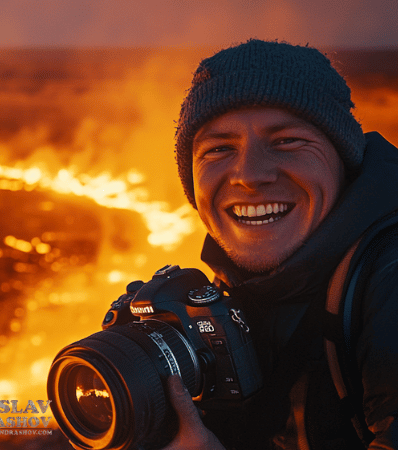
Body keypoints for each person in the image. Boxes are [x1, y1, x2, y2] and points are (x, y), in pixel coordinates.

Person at [161, 39, 398, 450]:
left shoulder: (387, 278)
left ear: (345, 158)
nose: (249, 175)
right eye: (219, 148)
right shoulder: (235, 295)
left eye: (287, 140)